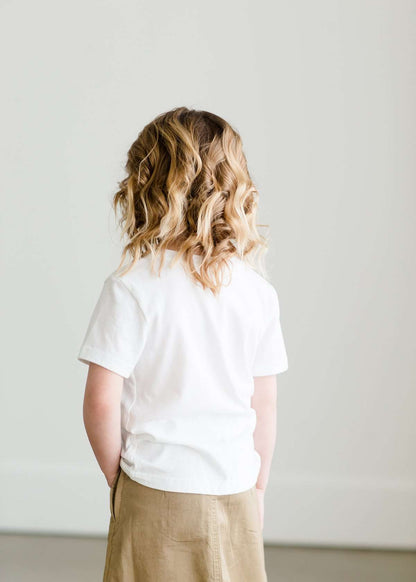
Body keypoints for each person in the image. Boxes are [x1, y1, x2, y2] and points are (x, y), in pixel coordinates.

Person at [77, 106, 289, 581]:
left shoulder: (132, 285)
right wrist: (257, 487)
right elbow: (265, 404)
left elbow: (99, 401)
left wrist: (119, 480)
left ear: (145, 188)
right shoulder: (256, 292)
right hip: (234, 486)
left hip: (154, 486)